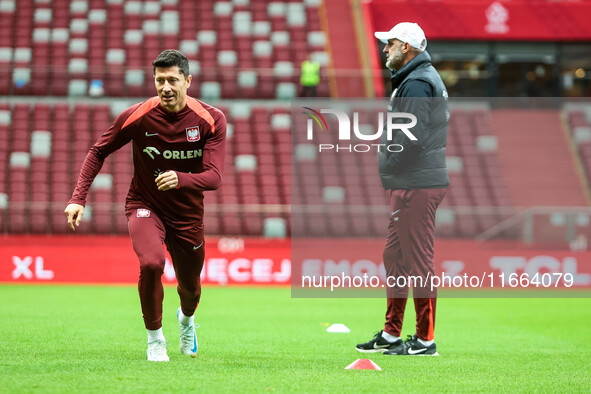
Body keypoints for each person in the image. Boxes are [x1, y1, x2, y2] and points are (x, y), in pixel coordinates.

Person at [64, 50, 226, 362]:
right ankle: (155, 340)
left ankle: (187, 320)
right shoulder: (137, 115)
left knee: (190, 289)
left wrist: (181, 179)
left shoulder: (210, 119)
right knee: (151, 263)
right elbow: (98, 151)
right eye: (159, 80)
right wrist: (77, 198)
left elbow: (215, 177)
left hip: (187, 216)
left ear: (188, 81)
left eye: (173, 80)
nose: (165, 86)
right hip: (144, 205)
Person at [355, 22, 449, 356]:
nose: (385, 49)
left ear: (406, 47)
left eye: (390, 43)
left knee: (419, 260)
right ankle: (392, 334)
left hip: (417, 183)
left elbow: (413, 136)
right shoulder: (417, 79)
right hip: (413, 181)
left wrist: (390, 164)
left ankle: (425, 341)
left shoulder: (418, 82)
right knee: (394, 256)